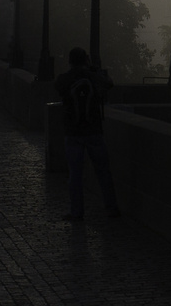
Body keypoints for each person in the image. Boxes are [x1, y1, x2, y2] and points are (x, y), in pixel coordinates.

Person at [54, 48, 120, 220]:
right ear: (86, 60)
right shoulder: (93, 76)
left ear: (70, 61)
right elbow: (109, 83)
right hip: (93, 130)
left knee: (75, 175)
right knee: (103, 171)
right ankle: (111, 207)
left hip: (73, 131)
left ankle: (77, 212)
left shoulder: (65, 79)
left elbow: (57, 87)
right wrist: (93, 68)